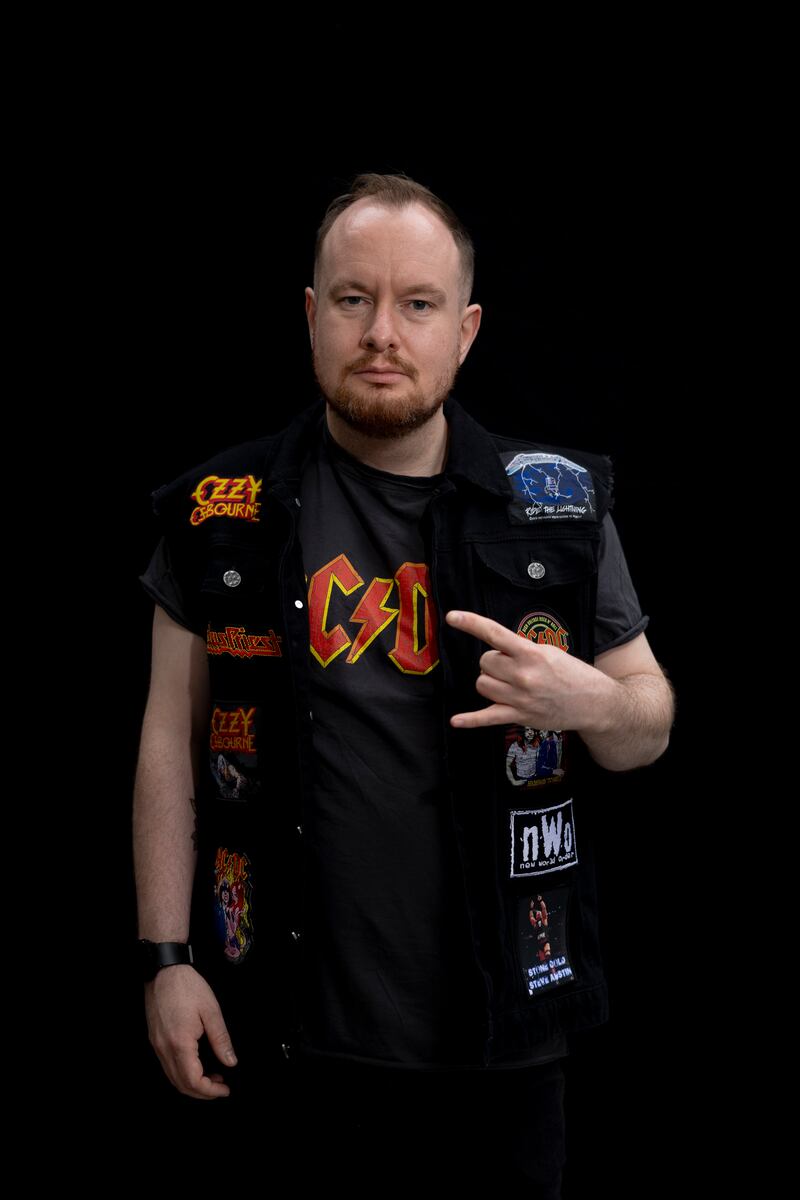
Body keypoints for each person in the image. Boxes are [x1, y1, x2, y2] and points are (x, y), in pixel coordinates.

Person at [133, 172, 675, 1194]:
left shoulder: (554, 509)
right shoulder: (220, 511)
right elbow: (170, 741)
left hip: (504, 1041)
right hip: (281, 1037)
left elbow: (646, 721)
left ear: (463, 330)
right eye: (353, 299)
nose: (382, 331)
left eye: (416, 304)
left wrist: (589, 703)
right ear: (310, 315)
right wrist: (165, 962)